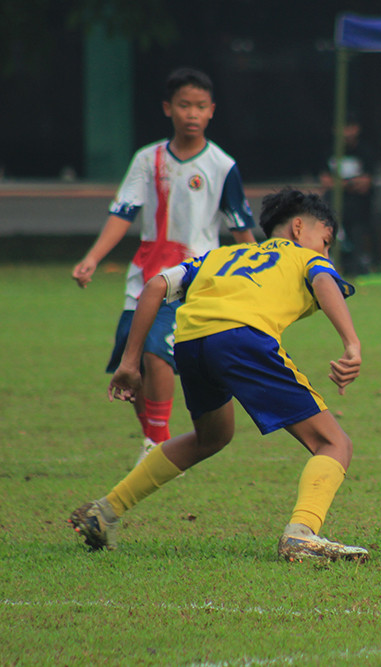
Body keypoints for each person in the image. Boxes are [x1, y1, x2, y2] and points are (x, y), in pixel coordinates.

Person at [69, 188, 369, 564]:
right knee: (334, 443)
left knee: (212, 435)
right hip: (243, 339)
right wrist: (352, 344)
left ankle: (105, 511)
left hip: (191, 341)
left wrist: (130, 364)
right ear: (298, 227)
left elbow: (156, 287)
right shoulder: (305, 257)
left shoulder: (221, 255)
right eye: (325, 242)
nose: (325, 253)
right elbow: (325, 281)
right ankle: (302, 535)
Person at [72, 68, 256, 465]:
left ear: (212, 112)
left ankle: (158, 445)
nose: (192, 113)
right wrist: (92, 258)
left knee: (157, 353)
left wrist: (260, 275)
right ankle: (154, 437)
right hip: (143, 277)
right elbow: (124, 213)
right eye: (185, 105)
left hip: (192, 276)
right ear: (168, 108)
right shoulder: (147, 159)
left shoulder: (223, 166)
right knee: (130, 366)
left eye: (201, 106)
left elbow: (241, 228)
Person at [322, 112, 380, 275]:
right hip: (335, 202)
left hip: (358, 203)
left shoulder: (365, 151)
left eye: (349, 127)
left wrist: (340, 184)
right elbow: (326, 181)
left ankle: (358, 261)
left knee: (356, 220)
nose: (346, 132)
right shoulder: (329, 151)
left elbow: (365, 183)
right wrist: (349, 183)